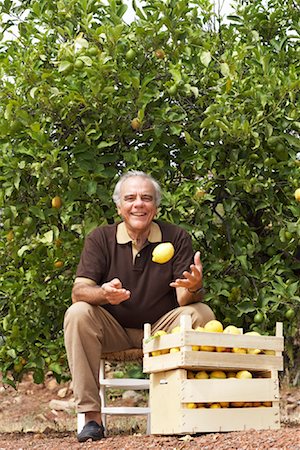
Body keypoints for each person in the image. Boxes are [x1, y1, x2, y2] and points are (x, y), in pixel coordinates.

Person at [64, 170, 215, 442]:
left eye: (146, 198)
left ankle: (189, 410)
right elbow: (79, 291)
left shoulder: (176, 237)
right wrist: (103, 294)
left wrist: (194, 286)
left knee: (202, 313)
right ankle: (91, 418)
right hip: (113, 331)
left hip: (160, 332)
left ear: (155, 207)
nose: (138, 204)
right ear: (119, 207)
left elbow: (183, 299)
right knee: (78, 313)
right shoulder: (100, 238)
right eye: (130, 198)